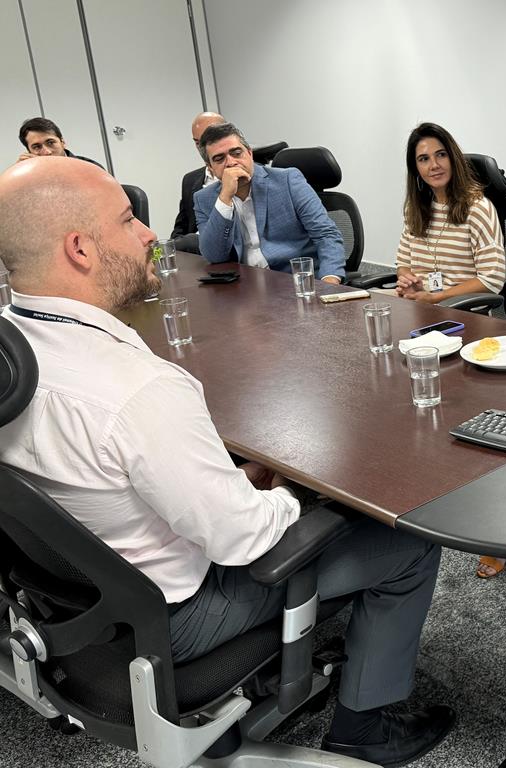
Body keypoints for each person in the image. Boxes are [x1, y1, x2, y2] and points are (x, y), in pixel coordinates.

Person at [0, 157, 455, 764]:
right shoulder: (138, 391)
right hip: (173, 618)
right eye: (129, 219)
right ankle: (364, 729)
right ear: (79, 248)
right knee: (406, 546)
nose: (149, 236)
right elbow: (241, 539)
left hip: (69, 603)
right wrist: (293, 495)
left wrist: (227, 479)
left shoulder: (13, 353)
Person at [194, 122, 346, 283]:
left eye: (236, 153)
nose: (231, 162)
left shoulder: (287, 180)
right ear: (210, 168)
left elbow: (326, 234)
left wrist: (330, 281)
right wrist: (225, 198)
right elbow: (214, 256)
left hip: (294, 281)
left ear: (249, 154)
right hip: (243, 288)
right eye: (219, 159)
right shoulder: (204, 199)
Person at [395, 122, 506, 304]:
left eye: (441, 155)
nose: (434, 165)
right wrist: (408, 280)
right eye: (424, 159)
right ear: (415, 168)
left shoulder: (478, 209)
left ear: (453, 158)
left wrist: (436, 297)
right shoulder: (413, 209)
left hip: (461, 310)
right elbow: (403, 263)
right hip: (420, 304)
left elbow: (491, 279)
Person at [170, 111, 225, 253]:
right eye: (197, 142)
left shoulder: (242, 175)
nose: (203, 148)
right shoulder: (190, 180)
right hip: (197, 258)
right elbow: (179, 230)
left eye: (208, 140)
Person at [16, 116, 103, 168]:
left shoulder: (91, 169)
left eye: (50, 142)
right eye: (37, 147)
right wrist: (18, 172)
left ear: (63, 142)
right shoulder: (27, 176)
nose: (47, 152)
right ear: (29, 152)